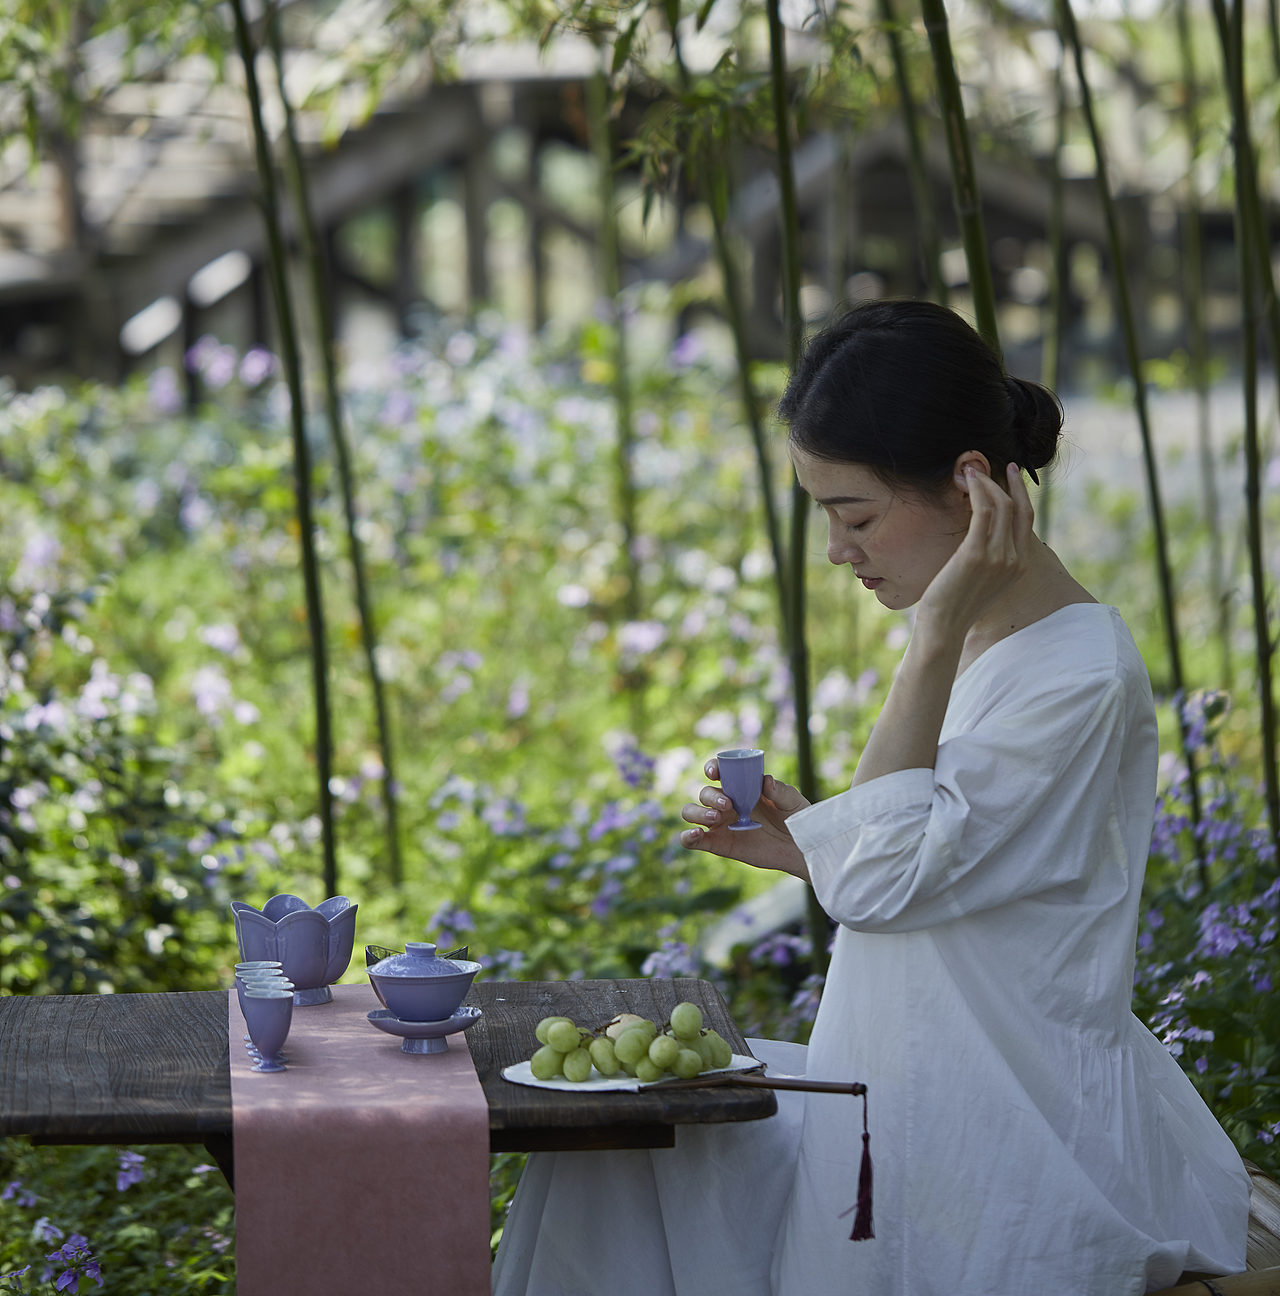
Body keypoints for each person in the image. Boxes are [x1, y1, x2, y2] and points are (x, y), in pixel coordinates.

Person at [492, 300, 1250, 1296]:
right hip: (897, 1092)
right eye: (824, 518)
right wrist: (813, 847)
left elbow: (885, 879)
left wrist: (929, 636)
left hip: (999, 1138)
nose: (838, 552)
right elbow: (945, 868)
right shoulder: (986, 636)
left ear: (970, 485)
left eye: (854, 516)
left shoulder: (1070, 674)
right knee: (612, 1158)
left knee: (641, 1163)